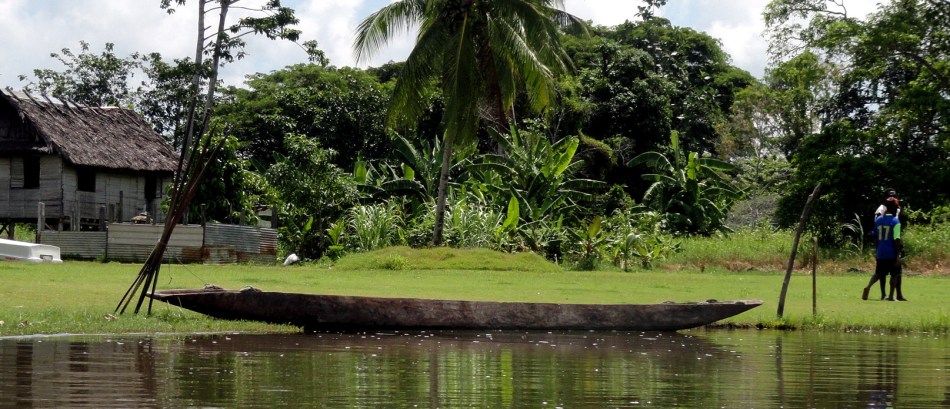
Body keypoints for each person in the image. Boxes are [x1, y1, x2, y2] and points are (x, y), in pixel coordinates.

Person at [863, 197, 906, 301]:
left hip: (881, 252)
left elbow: (876, 237)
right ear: (895, 208)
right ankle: (891, 296)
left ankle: (868, 286)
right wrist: (898, 254)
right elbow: (896, 239)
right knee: (895, 274)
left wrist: (877, 250)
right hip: (891, 252)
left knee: (878, 273)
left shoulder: (878, 220)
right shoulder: (895, 221)